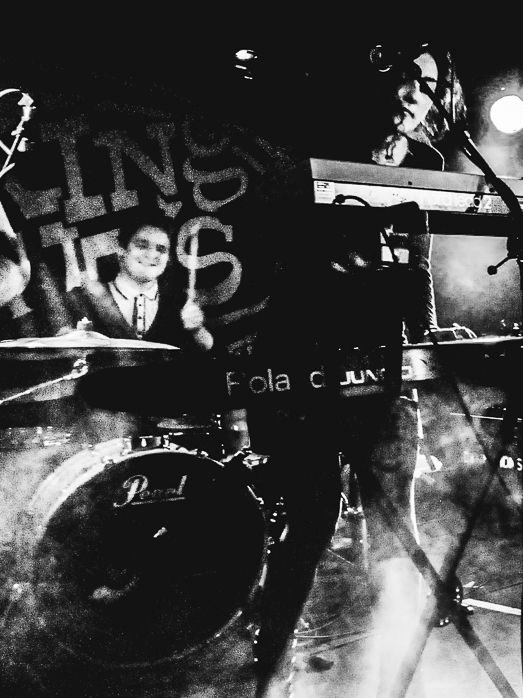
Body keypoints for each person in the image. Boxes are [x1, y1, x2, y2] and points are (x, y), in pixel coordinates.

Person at [247, 43, 463, 697]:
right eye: (406, 78)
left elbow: (418, 262)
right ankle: (271, 661)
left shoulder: (428, 162)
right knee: (308, 523)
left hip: (387, 364)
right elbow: (279, 252)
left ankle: (394, 673)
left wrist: (427, 338)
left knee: (394, 523)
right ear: (384, 82)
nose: (414, 92)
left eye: (428, 85)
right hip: (314, 358)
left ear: (438, 101)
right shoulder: (329, 145)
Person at [61, 215, 213, 352]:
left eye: (161, 249)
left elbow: (208, 349)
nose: (153, 255)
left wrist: (197, 329)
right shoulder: (83, 299)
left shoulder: (178, 302)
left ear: (168, 259)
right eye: (142, 245)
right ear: (121, 251)